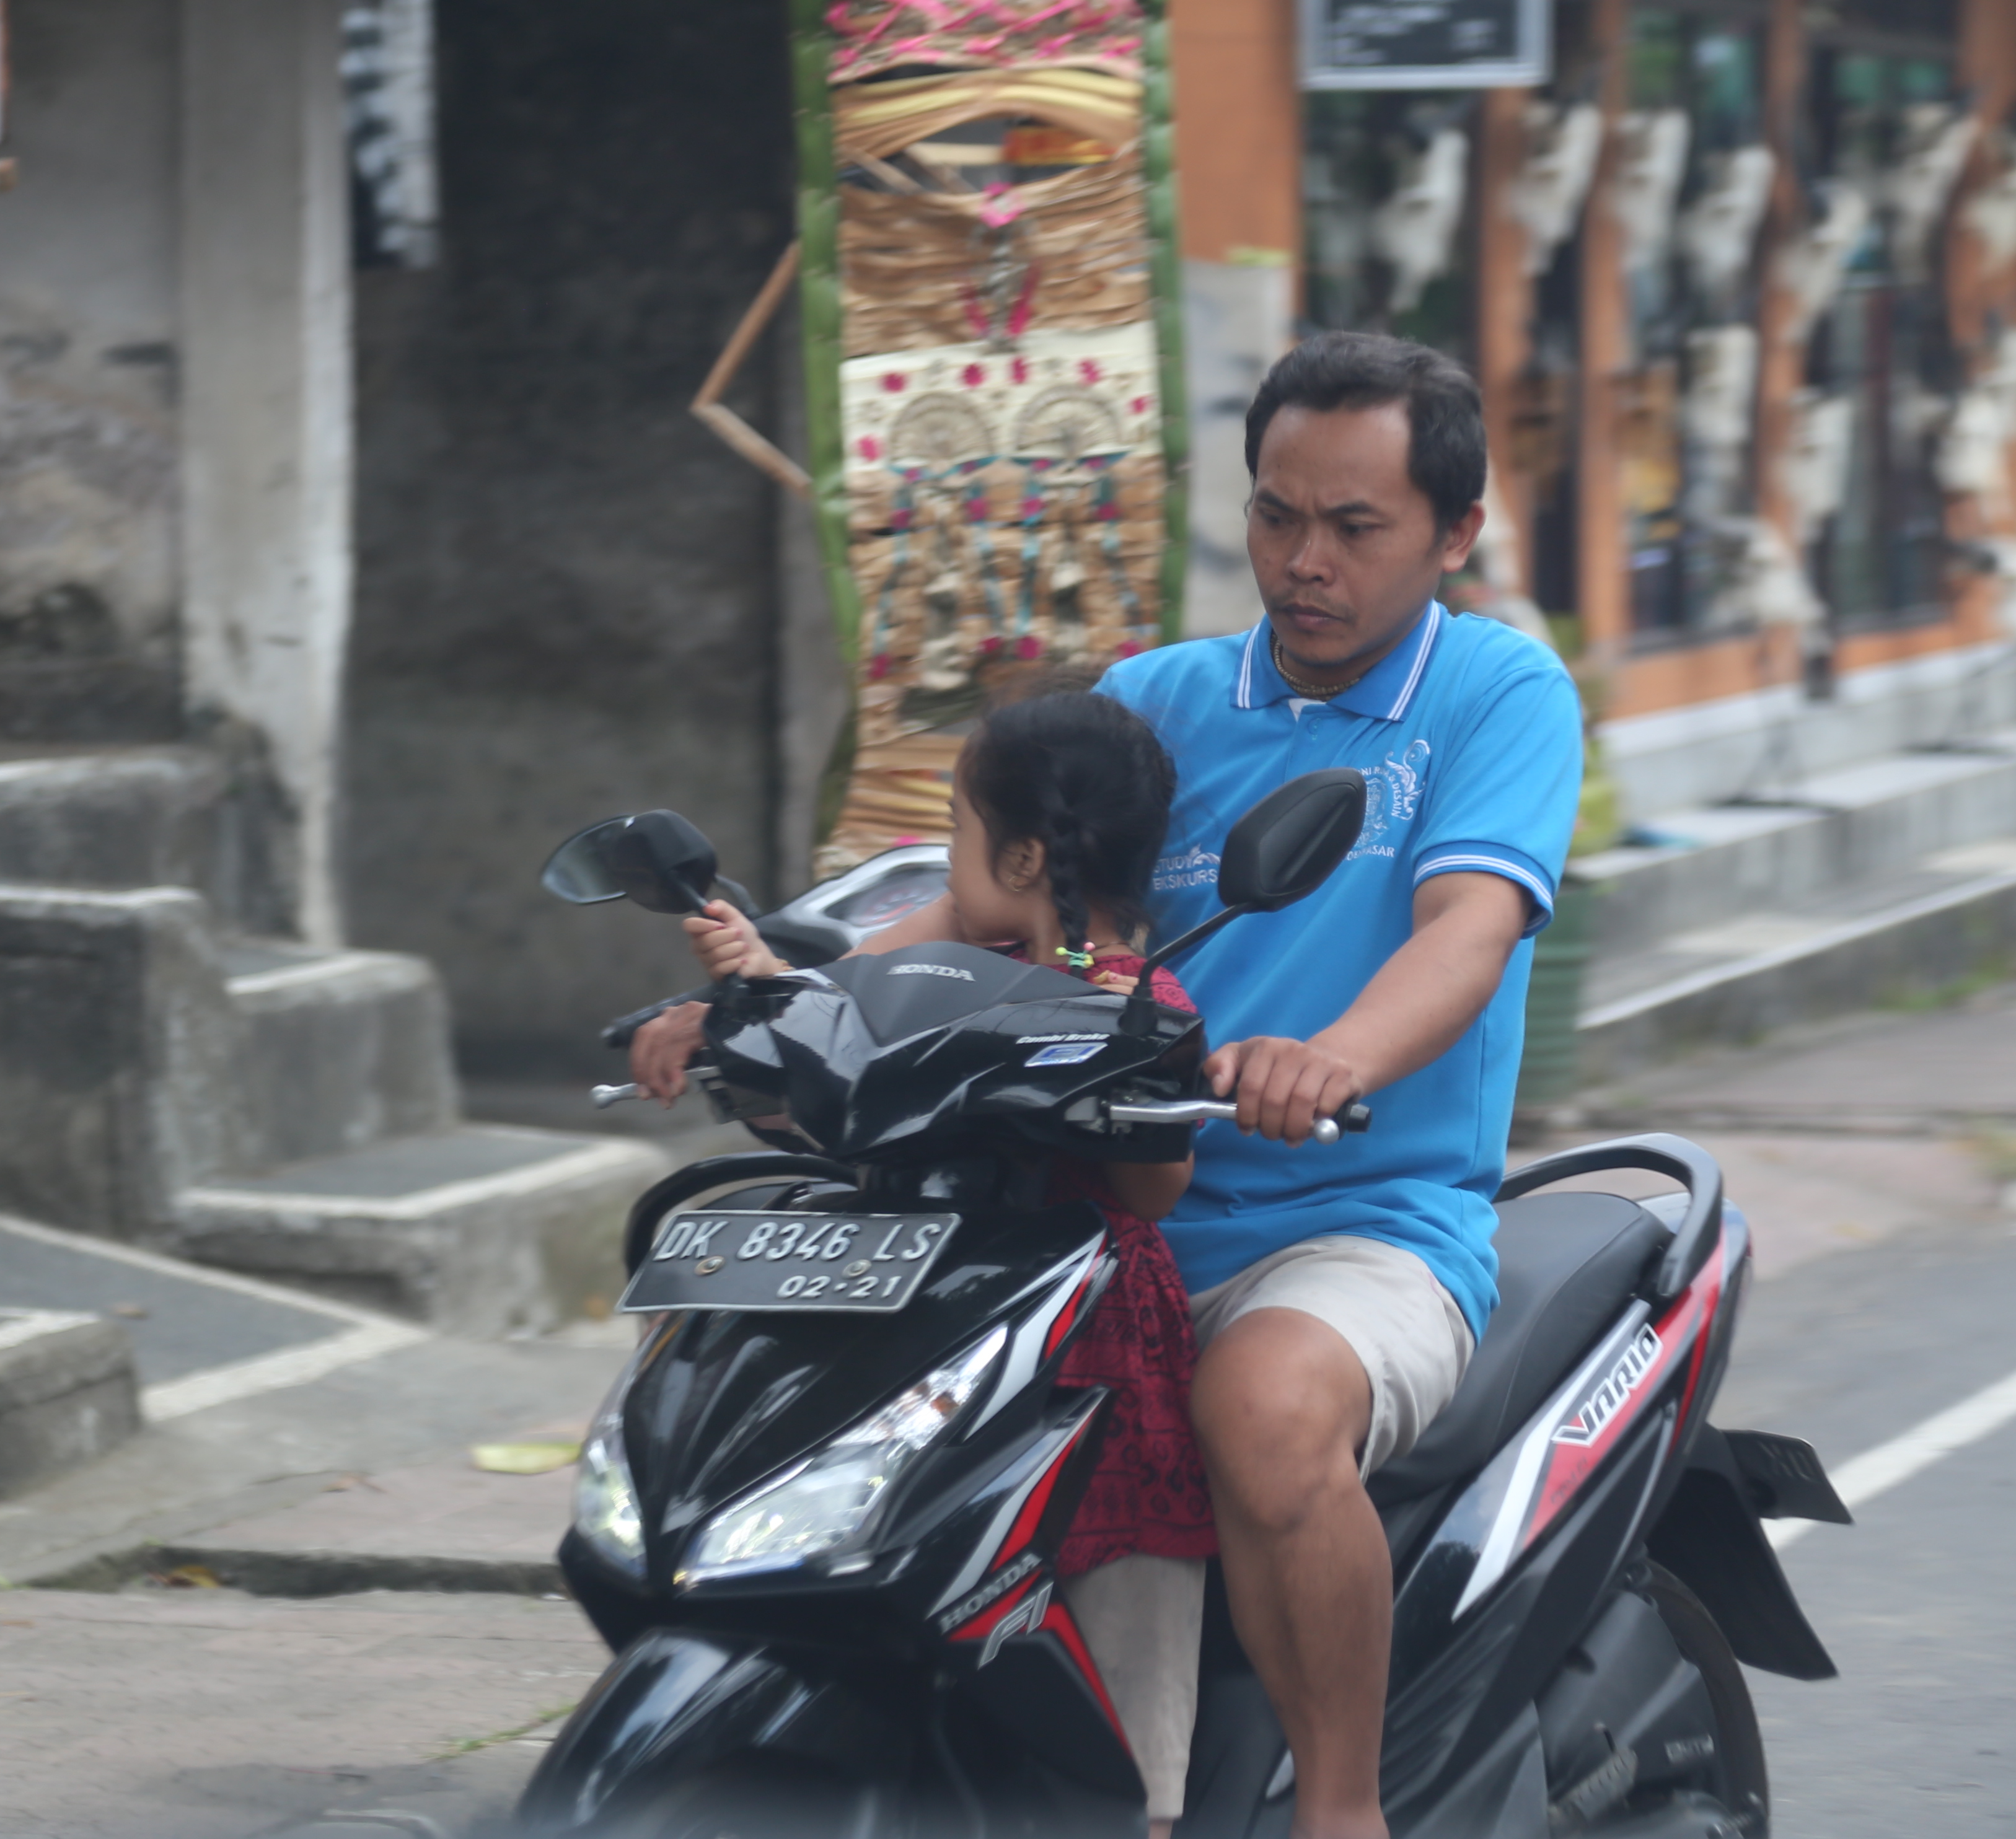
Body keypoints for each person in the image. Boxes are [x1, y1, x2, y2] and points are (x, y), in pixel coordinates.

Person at [633, 331, 1579, 1838]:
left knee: (1258, 1407)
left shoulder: (1493, 691)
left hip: (1355, 1218)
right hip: (1091, 1218)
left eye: (1353, 527)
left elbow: (1466, 928)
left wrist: (1327, 1058)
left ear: (1452, 534)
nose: (1302, 561)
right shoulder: (1159, 695)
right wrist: (765, 1004)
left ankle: (1341, 1812)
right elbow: (981, 898)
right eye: (1276, 515)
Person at [679, 686, 1215, 1838]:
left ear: (1021, 852)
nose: (944, 860)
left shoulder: (1136, 999)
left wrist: (1112, 1076)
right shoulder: (942, 968)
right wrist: (750, 979)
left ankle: (1148, 1817)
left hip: (1091, 1355)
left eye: (958, 830)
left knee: (1124, 1626)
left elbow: (1157, 1187)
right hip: (932, 1337)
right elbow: (834, 1035)